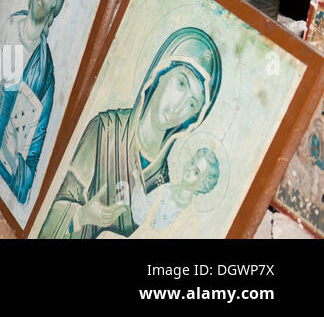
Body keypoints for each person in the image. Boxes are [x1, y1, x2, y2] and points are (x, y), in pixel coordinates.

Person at [37, 27, 222, 239]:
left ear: (193, 119)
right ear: (160, 73)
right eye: (181, 83)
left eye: (192, 104)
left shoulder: (163, 180)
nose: (179, 107)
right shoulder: (105, 130)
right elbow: (49, 213)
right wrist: (81, 216)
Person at [0, 0, 71, 204]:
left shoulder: (45, 74)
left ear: (58, 0)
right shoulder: (8, 27)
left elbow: (31, 163)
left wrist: (13, 156)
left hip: (2, 171)